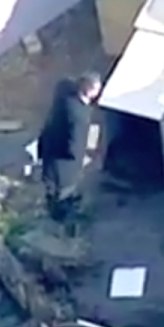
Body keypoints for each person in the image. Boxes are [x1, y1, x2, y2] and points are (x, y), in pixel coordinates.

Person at [38, 72, 102, 221]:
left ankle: (51, 202)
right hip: (63, 160)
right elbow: (75, 146)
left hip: (49, 144)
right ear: (89, 90)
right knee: (64, 187)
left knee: (49, 180)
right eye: (96, 89)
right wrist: (83, 158)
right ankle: (59, 214)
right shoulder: (79, 116)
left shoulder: (64, 90)